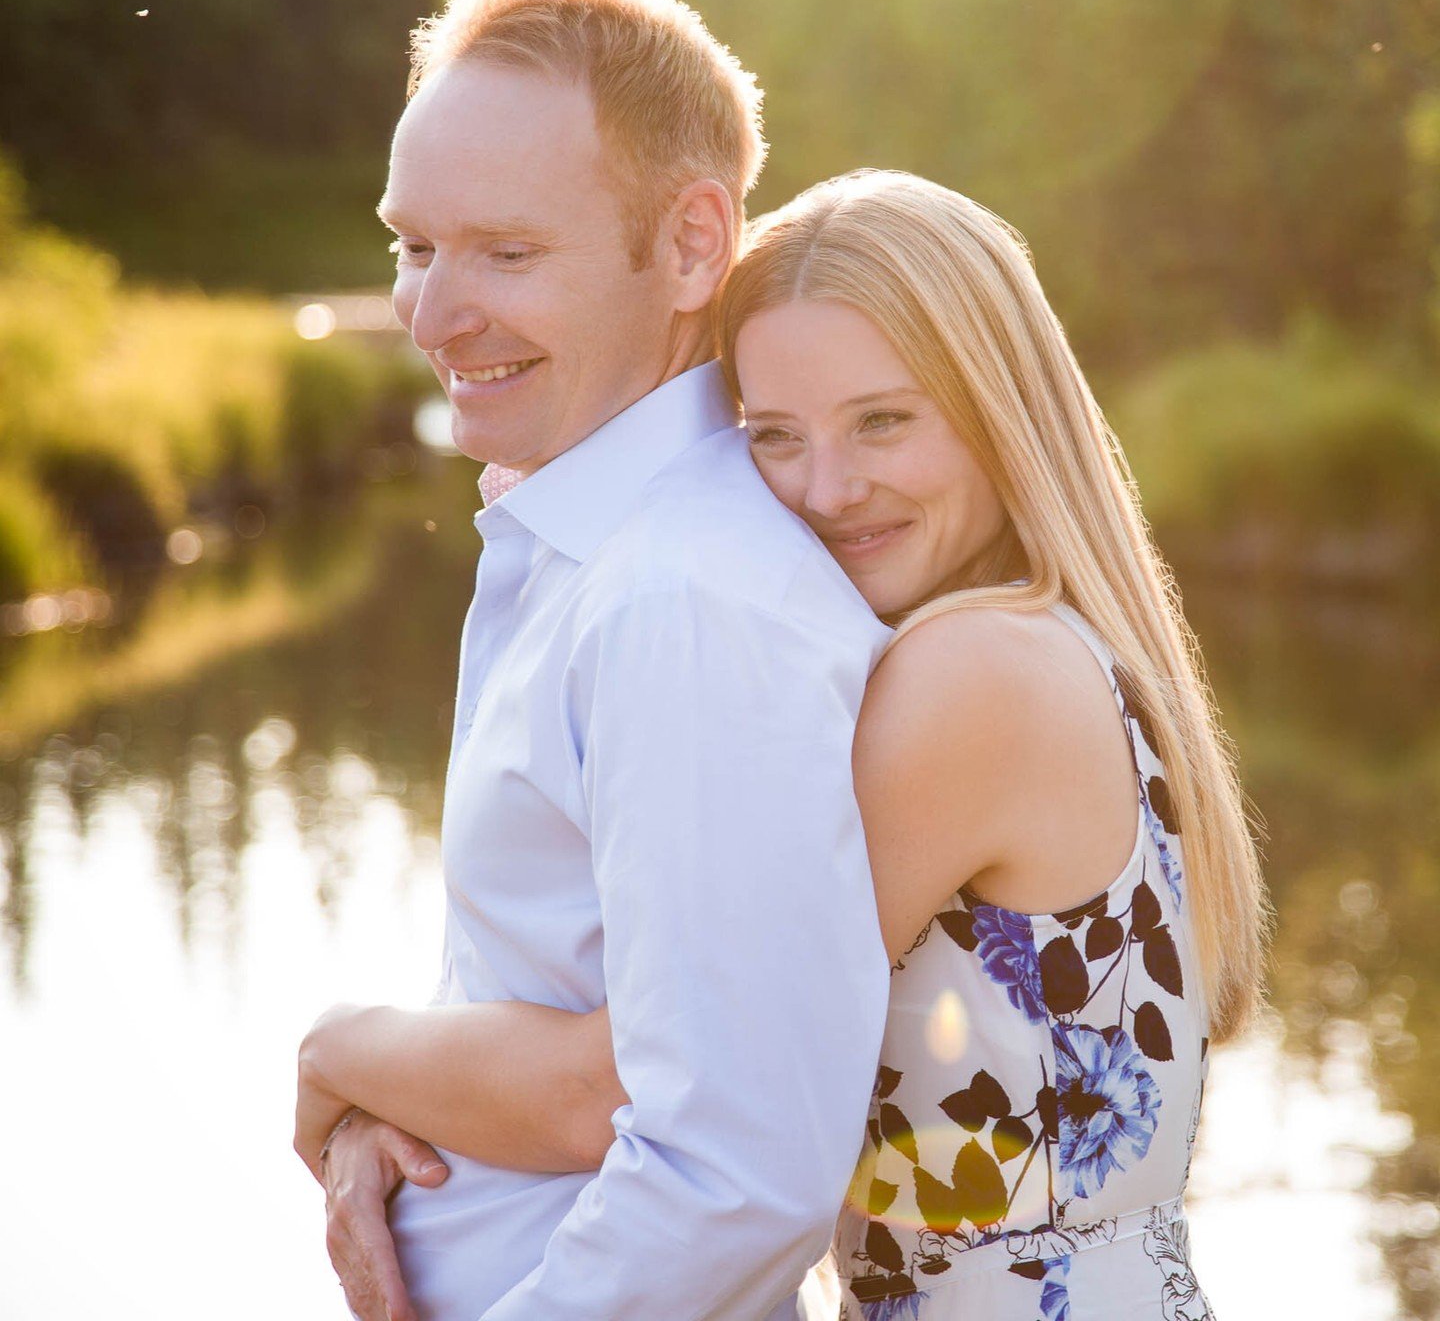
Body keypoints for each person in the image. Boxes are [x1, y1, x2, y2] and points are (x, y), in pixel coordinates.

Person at [298, 169, 1268, 1321]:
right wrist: (403, 1113)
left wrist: (343, 1054)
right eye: (772, 436)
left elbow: (637, 1074)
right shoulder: (1032, 644)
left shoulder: (973, 681)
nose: (826, 489)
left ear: (999, 408)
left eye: (884, 420)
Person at [297, 0, 896, 1321]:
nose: (432, 314)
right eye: (414, 245)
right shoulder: (580, 549)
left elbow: (734, 1169)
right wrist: (362, 1105)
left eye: (506, 253)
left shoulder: (679, 601)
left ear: (692, 245)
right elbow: (535, 980)